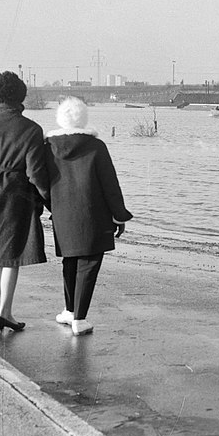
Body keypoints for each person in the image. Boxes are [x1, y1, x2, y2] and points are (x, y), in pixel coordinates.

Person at [44, 97, 132, 336]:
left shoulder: (48, 146)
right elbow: (109, 184)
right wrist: (119, 215)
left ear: (60, 119)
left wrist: (52, 205)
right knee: (89, 263)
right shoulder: (96, 147)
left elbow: (41, 182)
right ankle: (79, 319)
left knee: (69, 261)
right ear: (84, 118)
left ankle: (70, 311)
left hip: (62, 214)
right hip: (94, 215)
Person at [0, 72, 50, 333]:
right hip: (16, 193)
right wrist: (49, 200)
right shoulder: (31, 129)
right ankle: (5, 312)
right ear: (22, 96)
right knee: (12, 256)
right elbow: (35, 173)